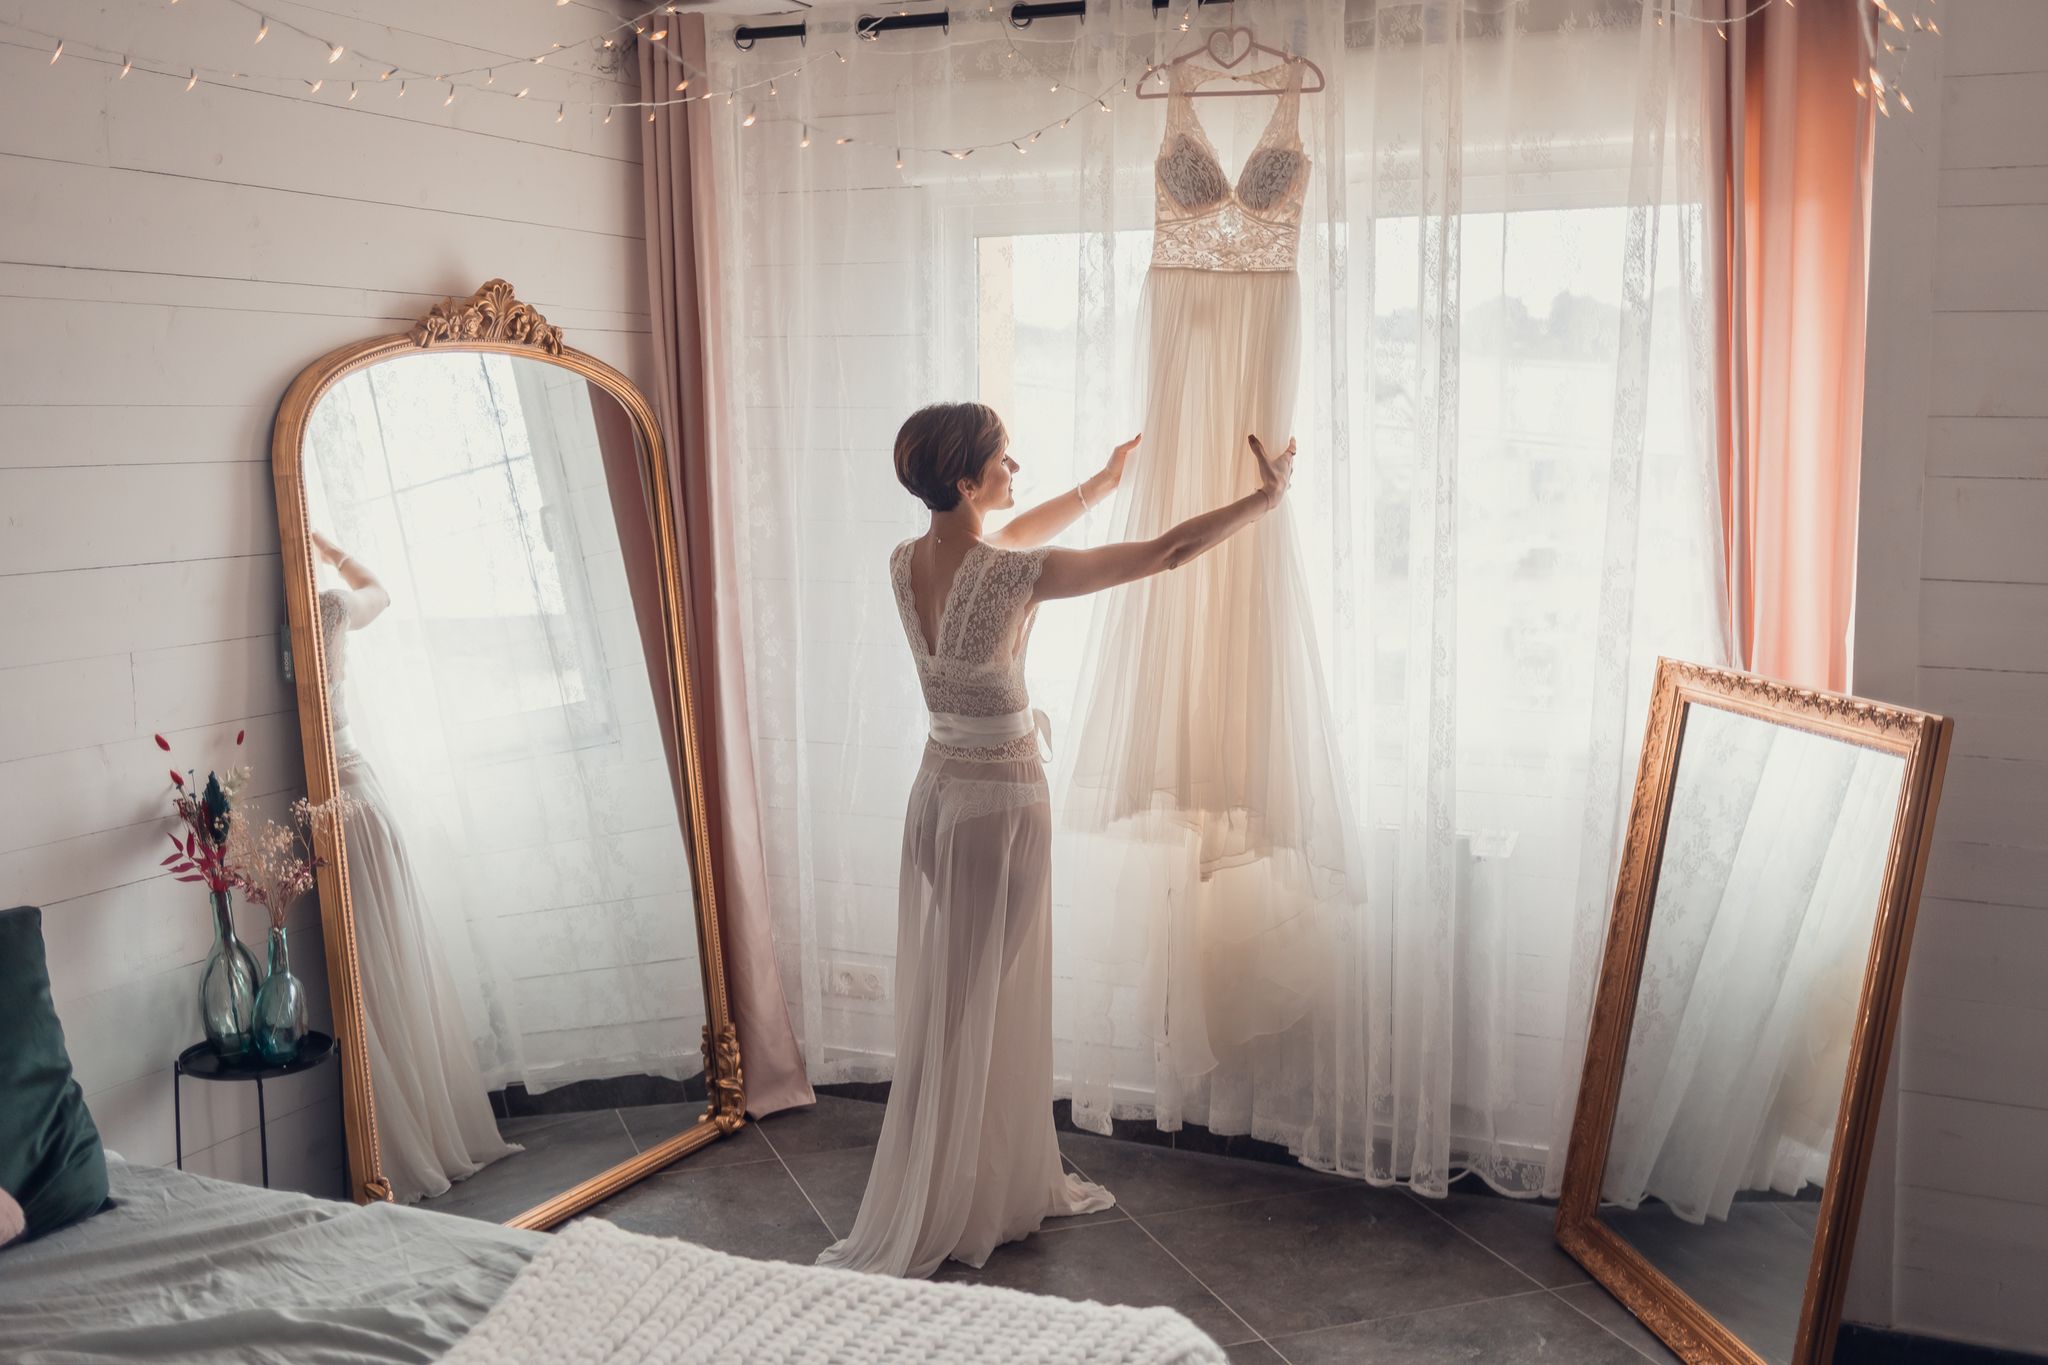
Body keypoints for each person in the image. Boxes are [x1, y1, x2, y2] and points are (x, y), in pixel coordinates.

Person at [816, 402, 1294, 1278]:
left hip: (935, 802)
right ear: (966, 479)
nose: (1014, 468)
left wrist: (1103, 483)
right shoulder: (1003, 574)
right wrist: (1260, 505)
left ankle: (972, 1181)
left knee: (961, 1005)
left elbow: (1009, 541)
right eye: (1004, 459)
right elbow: (1165, 555)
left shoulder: (906, 559)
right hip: (997, 809)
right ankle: (929, 1201)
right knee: (969, 1011)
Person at [311, 530, 518, 1204]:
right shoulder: (329, 605)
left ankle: (404, 1140)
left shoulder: (304, 615)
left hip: (342, 809)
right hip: (359, 802)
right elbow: (382, 589)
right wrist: (327, 543)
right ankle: (410, 1133)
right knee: (386, 969)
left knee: (375, 974)